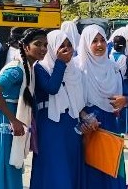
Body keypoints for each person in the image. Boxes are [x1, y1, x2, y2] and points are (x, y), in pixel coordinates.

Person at [0, 28, 46, 189]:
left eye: (45, 45)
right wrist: (13, 120)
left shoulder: (29, 68)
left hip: (11, 115)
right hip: (3, 116)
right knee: (0, 161)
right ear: (26, 47)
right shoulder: (16, 70)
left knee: (10, 162)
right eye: (38, 44)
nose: (43, 49)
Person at [30, 30, 91, 189]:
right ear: (52, 48)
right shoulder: (40, 68)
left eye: (69, 45)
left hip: (71, 125)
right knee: (54, 167)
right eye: (61, 46)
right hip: (50, 124)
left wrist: (85, 117)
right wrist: (60, 63)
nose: (67, 50)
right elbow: (52, 88)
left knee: (70, 166)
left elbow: (79, 101)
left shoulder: (75, 70)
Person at [77, 24, 128, 188]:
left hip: (111, 124)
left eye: (102, 40)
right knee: (93, 173)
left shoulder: (113, 67)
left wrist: (125, 100)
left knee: (112, 170)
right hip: (90, 126)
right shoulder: (79, 68)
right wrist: (85, 117)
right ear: (86, 43)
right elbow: (71, 101)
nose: (99, 45)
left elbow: (126, 96)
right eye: (94, 41)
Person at [110, 35, 128, 136]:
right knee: (126, 112)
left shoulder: (108, 57)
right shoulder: (127, 59)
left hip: (111, 86)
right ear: (124, 46)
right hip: (125, 86)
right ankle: (126, 136)